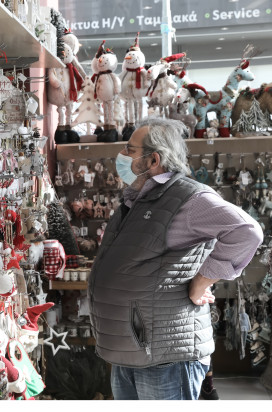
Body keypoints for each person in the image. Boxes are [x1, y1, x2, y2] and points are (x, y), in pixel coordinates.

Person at [88, 117, 263, 400]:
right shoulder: (137, 199)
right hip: (131, 350)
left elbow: (247, 231)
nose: (122, 155)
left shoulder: (189, 199)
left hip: (165, 356)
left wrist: (202, 281)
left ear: (153, 159)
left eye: (130, 150)